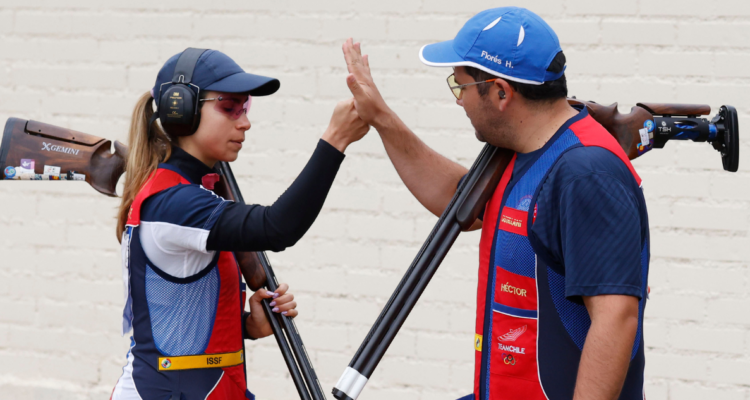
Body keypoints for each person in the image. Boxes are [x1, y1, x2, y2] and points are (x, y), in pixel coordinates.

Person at [341, 7, 649, 400]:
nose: (459, 101)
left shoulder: (586, 173)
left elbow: (616, 318)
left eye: (461, 85)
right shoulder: (521, 151)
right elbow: (460, 202)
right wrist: (382, 118)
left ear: (502, 92)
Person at [112, 48, 369, 399]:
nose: (244, 121)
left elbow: (178, 310)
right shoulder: (173, 202)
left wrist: (245, 325)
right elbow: (277, 227)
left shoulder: (189, 192)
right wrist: (335, 140)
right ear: (181, 109)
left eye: (244, 108)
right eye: (229, 108)